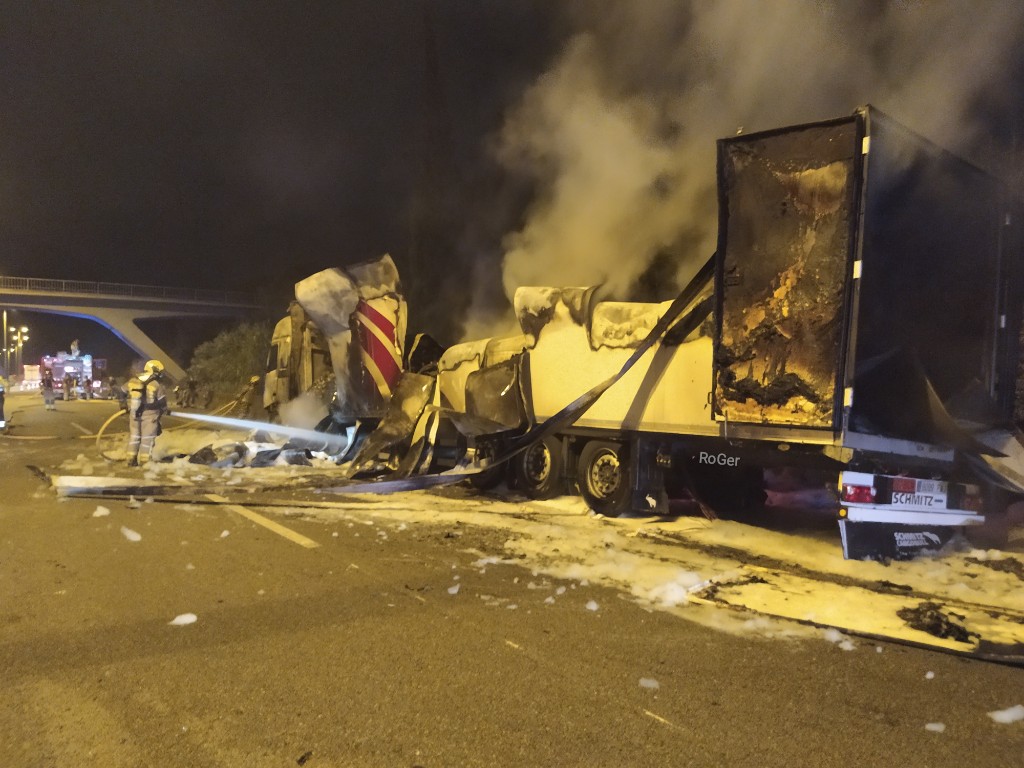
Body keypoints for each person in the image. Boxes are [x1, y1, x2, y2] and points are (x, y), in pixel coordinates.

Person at [125, 359, 169, 467]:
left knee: (134, 437)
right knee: (147, 438)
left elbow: (121, 392)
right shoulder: (156, 384)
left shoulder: (134, 380)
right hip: (150, 415)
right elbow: (162, 401)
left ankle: (131, 459)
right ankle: (145, 461)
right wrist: (164, 409)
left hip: (134, 414)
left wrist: (124, 406)